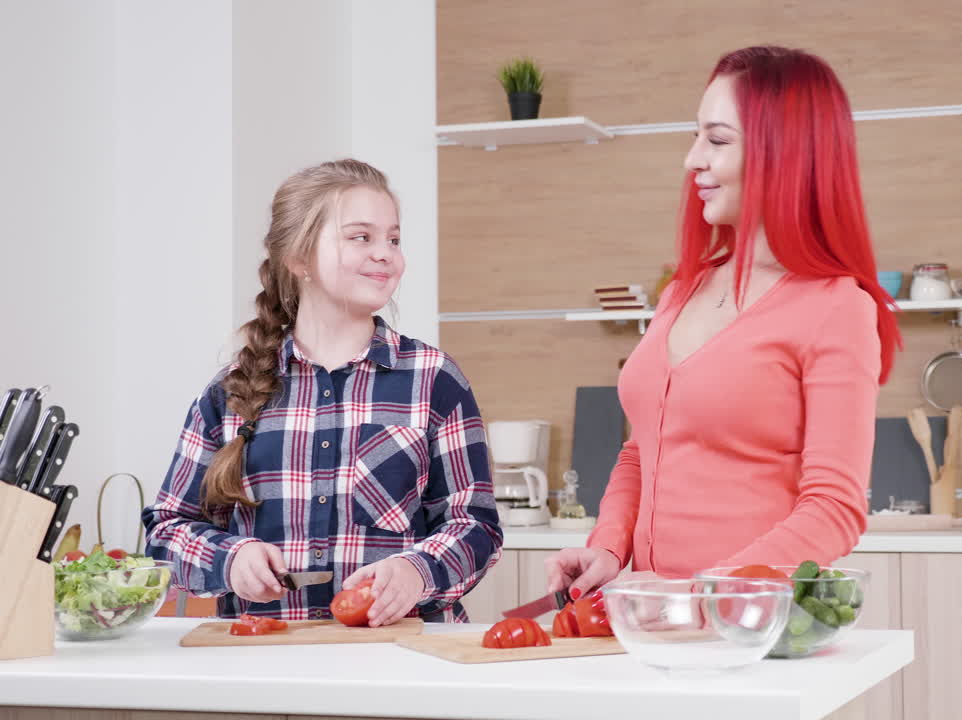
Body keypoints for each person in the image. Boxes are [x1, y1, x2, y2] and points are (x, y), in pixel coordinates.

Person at [546, 46, 901, 598]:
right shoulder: (682, 291)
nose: (692, 160)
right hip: (653, 617)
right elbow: (643, 449)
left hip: (754, 628)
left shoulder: (836, 306)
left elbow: (835, 508)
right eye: (695, 137)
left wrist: (718, 591)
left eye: (716, 140)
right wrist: (609, 548)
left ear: (783, 153)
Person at [143, 159, 501, 625]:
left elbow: (476, 525)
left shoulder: (434, 378)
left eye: (393, 239)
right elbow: (167, 532)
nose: (385, 253)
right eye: (361, 237)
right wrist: (229, 558)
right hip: (266, 664)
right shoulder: (231, 391)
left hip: (405, 663)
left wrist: (417, 570)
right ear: (298, 258)